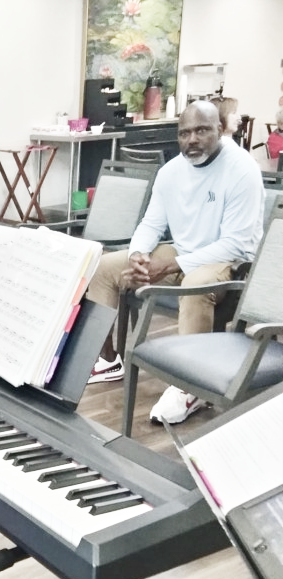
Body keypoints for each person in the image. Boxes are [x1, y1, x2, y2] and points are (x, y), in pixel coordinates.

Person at [86, 100, 264, 424]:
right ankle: (108, 360)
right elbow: (152, 224)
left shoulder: (242, 169)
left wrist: (172, 265)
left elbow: (235, 242)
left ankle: (190, 388)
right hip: (184, 253)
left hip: (230, 261)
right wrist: (139, 254)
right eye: (184, 133)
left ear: (220, 130)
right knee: (105, 267)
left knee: (195, 285)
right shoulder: (171, 172)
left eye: (201, 130)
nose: (192, 140)